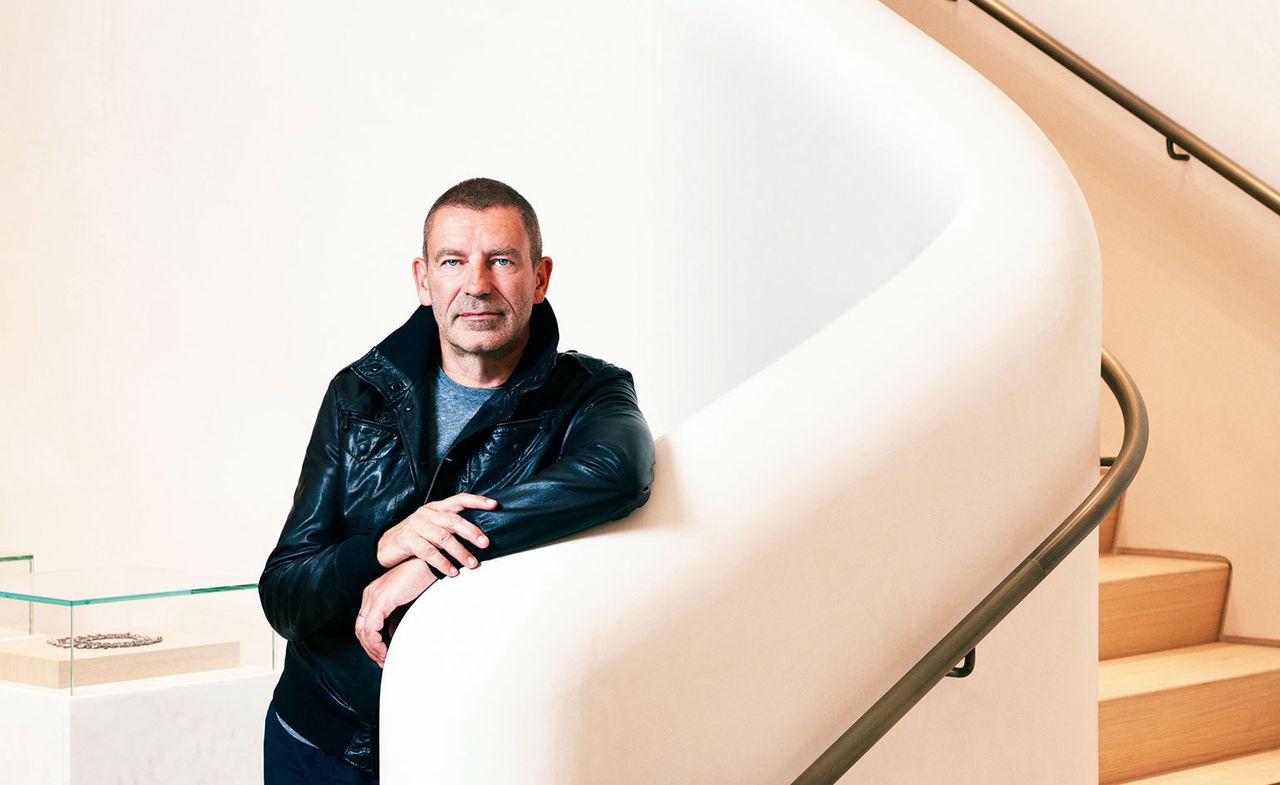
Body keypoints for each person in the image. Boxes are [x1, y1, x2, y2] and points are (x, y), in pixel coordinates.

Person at [258, 177, 656, 784]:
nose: (477, 284)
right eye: (454, 262)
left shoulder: (589, 394)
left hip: (469, 745)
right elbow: (284, 591)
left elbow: (617, 472)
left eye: (502, 260)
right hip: (320, 738)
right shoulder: (357, 394)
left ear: (540, 277)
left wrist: (433, 552)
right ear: (424, 280)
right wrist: (387, 545)